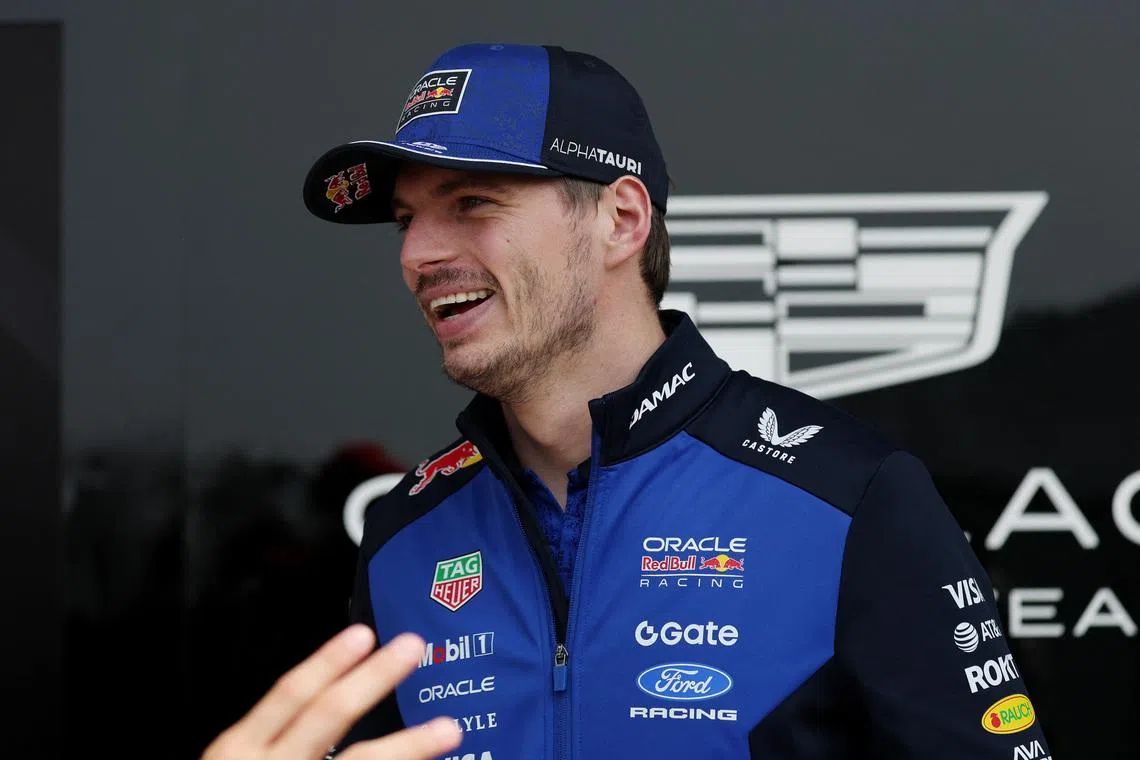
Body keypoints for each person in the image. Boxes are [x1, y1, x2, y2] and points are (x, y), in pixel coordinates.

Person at [209, 42, 1053, 758]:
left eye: (471, 203)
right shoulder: (404, 534)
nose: (420, 253)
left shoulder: (846, 495)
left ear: (621, 219)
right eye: (405, 221)